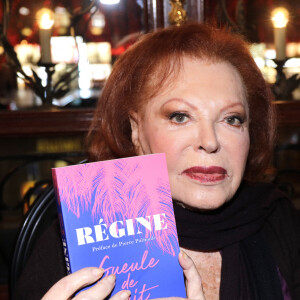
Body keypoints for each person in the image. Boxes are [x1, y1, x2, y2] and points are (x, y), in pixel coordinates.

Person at [14, 22, 300, 300]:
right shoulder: (72, 243)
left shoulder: (277, 219)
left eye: (232, 119)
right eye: (180, 116)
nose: (210, 141)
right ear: (136, 131)